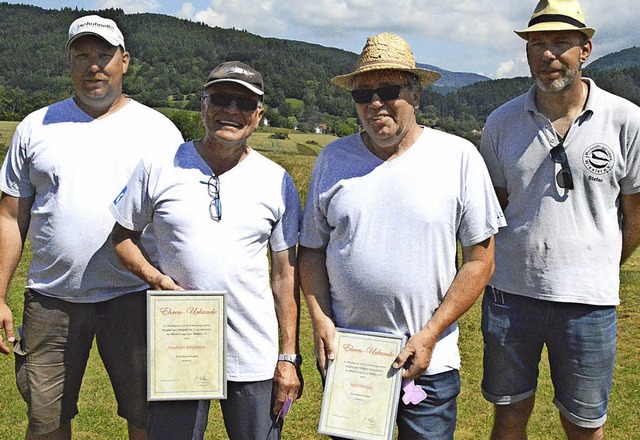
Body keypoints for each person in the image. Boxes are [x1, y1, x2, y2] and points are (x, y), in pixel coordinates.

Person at [298, 32, 505, 439]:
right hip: (352, 357)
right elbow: (311, 253)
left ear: (416, 95)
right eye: (363, 95)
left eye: (389, 90)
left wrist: (429, 334)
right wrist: (320, 321)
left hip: (429, 359)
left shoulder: (458, 157)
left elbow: (481, 259)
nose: (375, 103)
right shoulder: (332, 159)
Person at [0, 14, 184, 440]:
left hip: (135, 296)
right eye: (82, 55)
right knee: (46, 419)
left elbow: (177, 217)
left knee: (147, 416)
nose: (93, 66)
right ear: (69, 61)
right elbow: (10, 215)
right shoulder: (36, 126)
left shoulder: (159, 131)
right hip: (52, 298)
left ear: (125, 61)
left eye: (104, 55)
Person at [110, 60, 303, 440]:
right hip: (180, 344)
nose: (231, 110)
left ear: (259, 116)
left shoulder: (277, 181)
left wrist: (288, 357)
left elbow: (285, 276)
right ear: (203, 104)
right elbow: (121, 238)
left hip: (253, 351)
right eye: (221, 98)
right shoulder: (159, 165)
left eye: (244, 103)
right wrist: (155, 278)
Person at [479, 1, 640, 439]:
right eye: (537, 44)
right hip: (510, 295)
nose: (548, 54)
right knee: (509, 415)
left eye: (560, 43)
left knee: (585, 425)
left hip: (589, 304)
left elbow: (634, 213)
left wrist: (599, 264)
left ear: (585, 50)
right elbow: (495, 209)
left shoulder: (625, 119)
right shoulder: (501, 122)